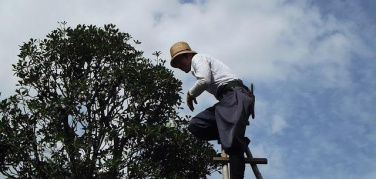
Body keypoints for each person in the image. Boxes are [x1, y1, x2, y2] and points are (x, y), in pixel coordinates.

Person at [169, 41, 254, 179]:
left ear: (189, 55)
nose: (179, 66)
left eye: (180, 61)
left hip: (235, 96)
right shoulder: (197, 65)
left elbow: (204, 81)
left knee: (233, 143)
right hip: (227, 100)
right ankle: (233, 136)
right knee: (195, 125)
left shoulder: (198, 58)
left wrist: (190, 94)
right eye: (177, 64)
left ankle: (234, 139)